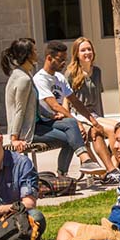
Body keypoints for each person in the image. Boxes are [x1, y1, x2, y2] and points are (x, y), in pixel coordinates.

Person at [20, 41, 104, 176]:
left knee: (71, 136)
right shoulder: (40, 79)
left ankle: (63, 175)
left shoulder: (59, 77)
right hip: (37, 127)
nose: (64, 63)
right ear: (49, 58)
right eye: (60, 60)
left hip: (53, 122)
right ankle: (83, 162)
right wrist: (78, 123)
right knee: (72, 128)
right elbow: (54, 105)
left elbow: (75, 101)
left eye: (65, 59)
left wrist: (94, 122)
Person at [64, 37, 120, 178]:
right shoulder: (70, 74)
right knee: (108, 131)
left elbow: (98, 99)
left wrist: (101, 119)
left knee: (118, 127)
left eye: (89, 49)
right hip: (79, 115)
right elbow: (66, 102)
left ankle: (114, 167)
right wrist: (72, 122)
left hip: (94, 115)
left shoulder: (97, 72)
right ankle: (112, 170)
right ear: (76, 53)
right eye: (83, 50)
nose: (87, 52)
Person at [0, 121, 46, 240]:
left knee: (36, 217)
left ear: (0, 139)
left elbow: (28, 204)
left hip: (15, 217)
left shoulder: (22, 164)